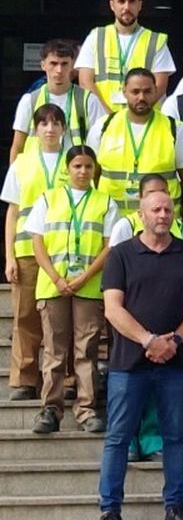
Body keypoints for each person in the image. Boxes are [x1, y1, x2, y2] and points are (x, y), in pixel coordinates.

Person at [95, 181, 183, 520]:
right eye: (156, 210)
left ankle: (175, 508)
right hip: (129, 364)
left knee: (175, 438)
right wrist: (148, 340)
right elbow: (112, 308)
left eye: (168, 210)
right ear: (141, 215)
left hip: (175, 362)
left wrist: (173, 341)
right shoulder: (121, 254)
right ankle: (110, 513)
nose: (163, 215)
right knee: (118, 438)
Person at [29, 144, 117, 436]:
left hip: (89, 286)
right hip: (53, 286)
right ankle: (50, 410)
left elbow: (108, 248)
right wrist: (56, 278)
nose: (82, 171)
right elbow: (38, 244)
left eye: (88, 166)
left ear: (95, 170)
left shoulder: (106, 202)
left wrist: (83, 277)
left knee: (86, 350)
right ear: (68, 169)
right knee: (55, 350)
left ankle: (86, 409)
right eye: (77, 166)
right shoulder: (48, 198)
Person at [3, 104, 66, 401]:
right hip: (28, 249)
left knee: (61, 320)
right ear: (36, 129)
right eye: (43, 124)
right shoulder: (22, 163)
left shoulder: (74, 160)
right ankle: (24, 379)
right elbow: (13, 213)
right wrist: (9, 256)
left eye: (55, 123)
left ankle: (64, 380)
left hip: (64, 251)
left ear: (64, 129)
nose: (50, 129)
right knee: (25, 316)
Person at [90, 68, 183, 210]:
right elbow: (94, 173)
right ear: (124, 92)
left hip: (161, 222)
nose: (141, 97)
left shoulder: (175, 129)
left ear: (156, 90)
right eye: (135, 92)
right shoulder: (104, 126)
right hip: (113, 220)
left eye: (147, 91)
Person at [76, 0, 175, 106]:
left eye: (132, 1)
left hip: (144, 120)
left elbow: (160, 87)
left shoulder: (155, 41)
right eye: (121, 1)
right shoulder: (95, 37)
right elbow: (85, 82)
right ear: (112, 5)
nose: (126, 7)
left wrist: (136, 116)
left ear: (140, 5)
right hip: (104, 119)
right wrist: (107, 116)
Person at [11, 38, 103, 160]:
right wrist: (13, 177)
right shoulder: (30, 100)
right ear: (43, 65)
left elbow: (101, 145)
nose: (59, 70)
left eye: (64, 64)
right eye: (53, 64)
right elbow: (17, 146)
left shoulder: (89, 100)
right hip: (37, 175)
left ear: (72, 66)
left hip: (73, 175)